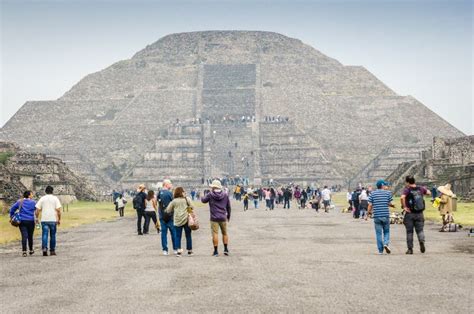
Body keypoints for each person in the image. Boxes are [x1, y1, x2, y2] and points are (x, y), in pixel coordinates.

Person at [401, 176, 430, 254]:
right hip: (420, 213)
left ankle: (410, 249)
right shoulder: (420, 188)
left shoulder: (407, 189)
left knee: (409, 232)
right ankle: (421, 241)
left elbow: (402, 197)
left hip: (410, 213)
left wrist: (404, 207)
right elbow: (428, 193)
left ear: (407, 182)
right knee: (420, 230)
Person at [201, 179, 231, 257]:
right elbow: (228, 207)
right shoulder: (225, 194)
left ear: (213, 187)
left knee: (215, 233)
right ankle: (225, 249)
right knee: (224, 233)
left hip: (214, 217)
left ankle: (216, 251)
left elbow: (203, 201)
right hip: (223, 217)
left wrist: (202, 195)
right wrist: (228, 216)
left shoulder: (210, 194)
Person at [165, 187, 194, 256]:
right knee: (188, 235)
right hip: (186, 220)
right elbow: (192, 207)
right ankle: (189, 250)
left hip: (177, 220)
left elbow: (168, 210)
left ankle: (178, 250)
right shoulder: (187, 199)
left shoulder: (174, 201)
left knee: (178, 236)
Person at [368, 180, 394, 255]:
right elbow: (390, 203)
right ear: (382, 185)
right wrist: (392, 205)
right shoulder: (388, 193)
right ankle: (386, 243)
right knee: (386, 231)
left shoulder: (372, 193)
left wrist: (368, 213)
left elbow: (370, 205)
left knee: (378, 234)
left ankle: (380, 250)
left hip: (377, 216)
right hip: (385, 215)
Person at [35, 186, 62, 256]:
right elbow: (58, 210)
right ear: (52, 191)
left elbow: (37, 210)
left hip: (44, 219)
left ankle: (44, 248)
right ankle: (52, 250)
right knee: (53, 235)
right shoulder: (55, 198)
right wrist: (59, 219)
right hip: (53, 219)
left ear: (45, 191)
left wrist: (36, 218)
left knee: (44, 234)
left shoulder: (42, 198)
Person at [9, 190, 37, 256]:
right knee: (30, 236)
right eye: (31, 194)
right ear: (29, 195)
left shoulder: (20, 201)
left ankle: (24, 251)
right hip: (31, 221)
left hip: (22, 221)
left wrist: (12, 216)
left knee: (24, 236)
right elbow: (37, 210)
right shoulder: (33, 202)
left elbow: (12, 209)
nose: (32, 195)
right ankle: (31, 250)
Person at [158, 179, 177, 255]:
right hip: (170, 216)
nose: (171, 185)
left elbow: (158, 203)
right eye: (170, 184)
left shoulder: (159, 193)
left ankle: (165, 250)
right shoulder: (169, 193)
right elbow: (173, 203)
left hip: (162, 216)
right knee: (173, 233)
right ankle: (175, 248)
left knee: (164, 234)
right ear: (166, 185)